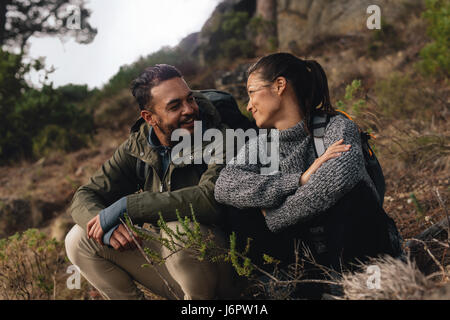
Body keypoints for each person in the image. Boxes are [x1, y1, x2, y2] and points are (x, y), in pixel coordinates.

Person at [214, 53, 402, 297]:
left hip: (356, 250)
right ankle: (286, 286)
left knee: (352, 195)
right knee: (237, 207)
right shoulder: (261, 144)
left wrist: (274, 217)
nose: (248, 105)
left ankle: (355, 285)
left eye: (251, 92)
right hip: (306, 258)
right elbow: (224, 185)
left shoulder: (335, 127)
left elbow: (334, 182)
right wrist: (299, 179)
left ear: (279, 86)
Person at [65, 64, 239, 300]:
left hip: (230, 269)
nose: (189, 110)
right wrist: (108, 228)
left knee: (182, 230)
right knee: (79, 240)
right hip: (176, 265)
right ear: (150, 118)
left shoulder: (223, 138)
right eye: (175, 106)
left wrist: (129, 206)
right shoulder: (138, 146)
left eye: (190, 99)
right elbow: (85, 195)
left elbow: (211, 199)